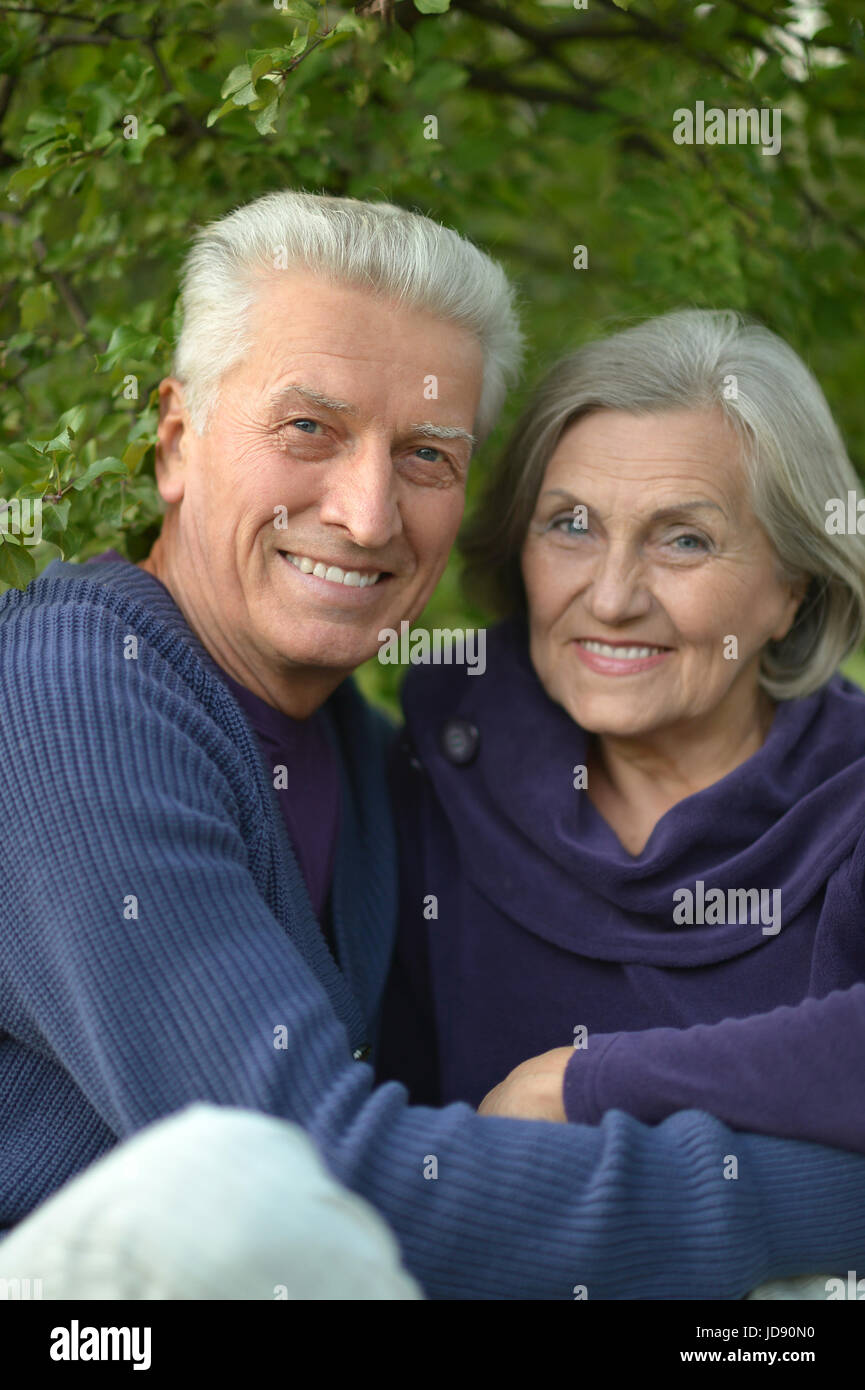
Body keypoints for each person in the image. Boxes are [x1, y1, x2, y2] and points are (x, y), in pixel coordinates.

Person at [2, 197, 864, 1302]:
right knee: (225, 1182)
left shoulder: (374, 760)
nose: (366, 515)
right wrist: (827, 1204)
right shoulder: (70, 700)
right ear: (176, 445)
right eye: (308, 428)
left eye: (423, 454)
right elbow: (326, 1174)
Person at [378, 307, 865, 1176]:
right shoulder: (436, 767)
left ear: (794, 585)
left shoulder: (850, 794)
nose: (609, 598)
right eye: (570, 524)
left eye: (684, 539)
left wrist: (583, 1082)